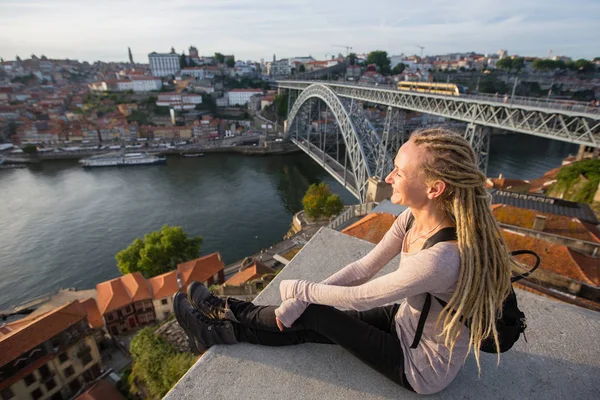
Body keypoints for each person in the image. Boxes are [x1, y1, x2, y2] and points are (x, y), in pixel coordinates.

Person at [174, 128, 519, 394]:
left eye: (399, 171)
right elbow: (363, 269)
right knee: (306, 320)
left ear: (434, 189)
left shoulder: (441, 259)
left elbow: (361, 295)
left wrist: (298, 290)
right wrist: (300, 300)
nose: (387, 178)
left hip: (418, 365)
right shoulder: (413, 219)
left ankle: (221, 315)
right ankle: (219, 329)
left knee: (311, 312)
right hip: (404, 321)